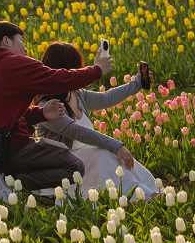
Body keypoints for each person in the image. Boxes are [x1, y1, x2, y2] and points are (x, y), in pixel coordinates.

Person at [0, 20, 114, 196]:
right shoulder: (14, 63)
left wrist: (41, 113)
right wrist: (96, 70)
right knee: (75, 166)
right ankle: (8, 182)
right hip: (5, 149)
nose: (26, 49)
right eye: (22, 41)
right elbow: (57, 79)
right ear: (6, 41)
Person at [35, 43, 160, 201]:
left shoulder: (76, 94)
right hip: (61, 174)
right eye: (78, 68)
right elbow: (77, 131)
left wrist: (137, 84)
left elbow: (106, 98)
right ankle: (141, 196)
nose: (82, 73)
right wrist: (116, 145)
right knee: (103, 153)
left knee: (107, 154)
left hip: (86, 163)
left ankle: (149, 190)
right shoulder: (47, 108)